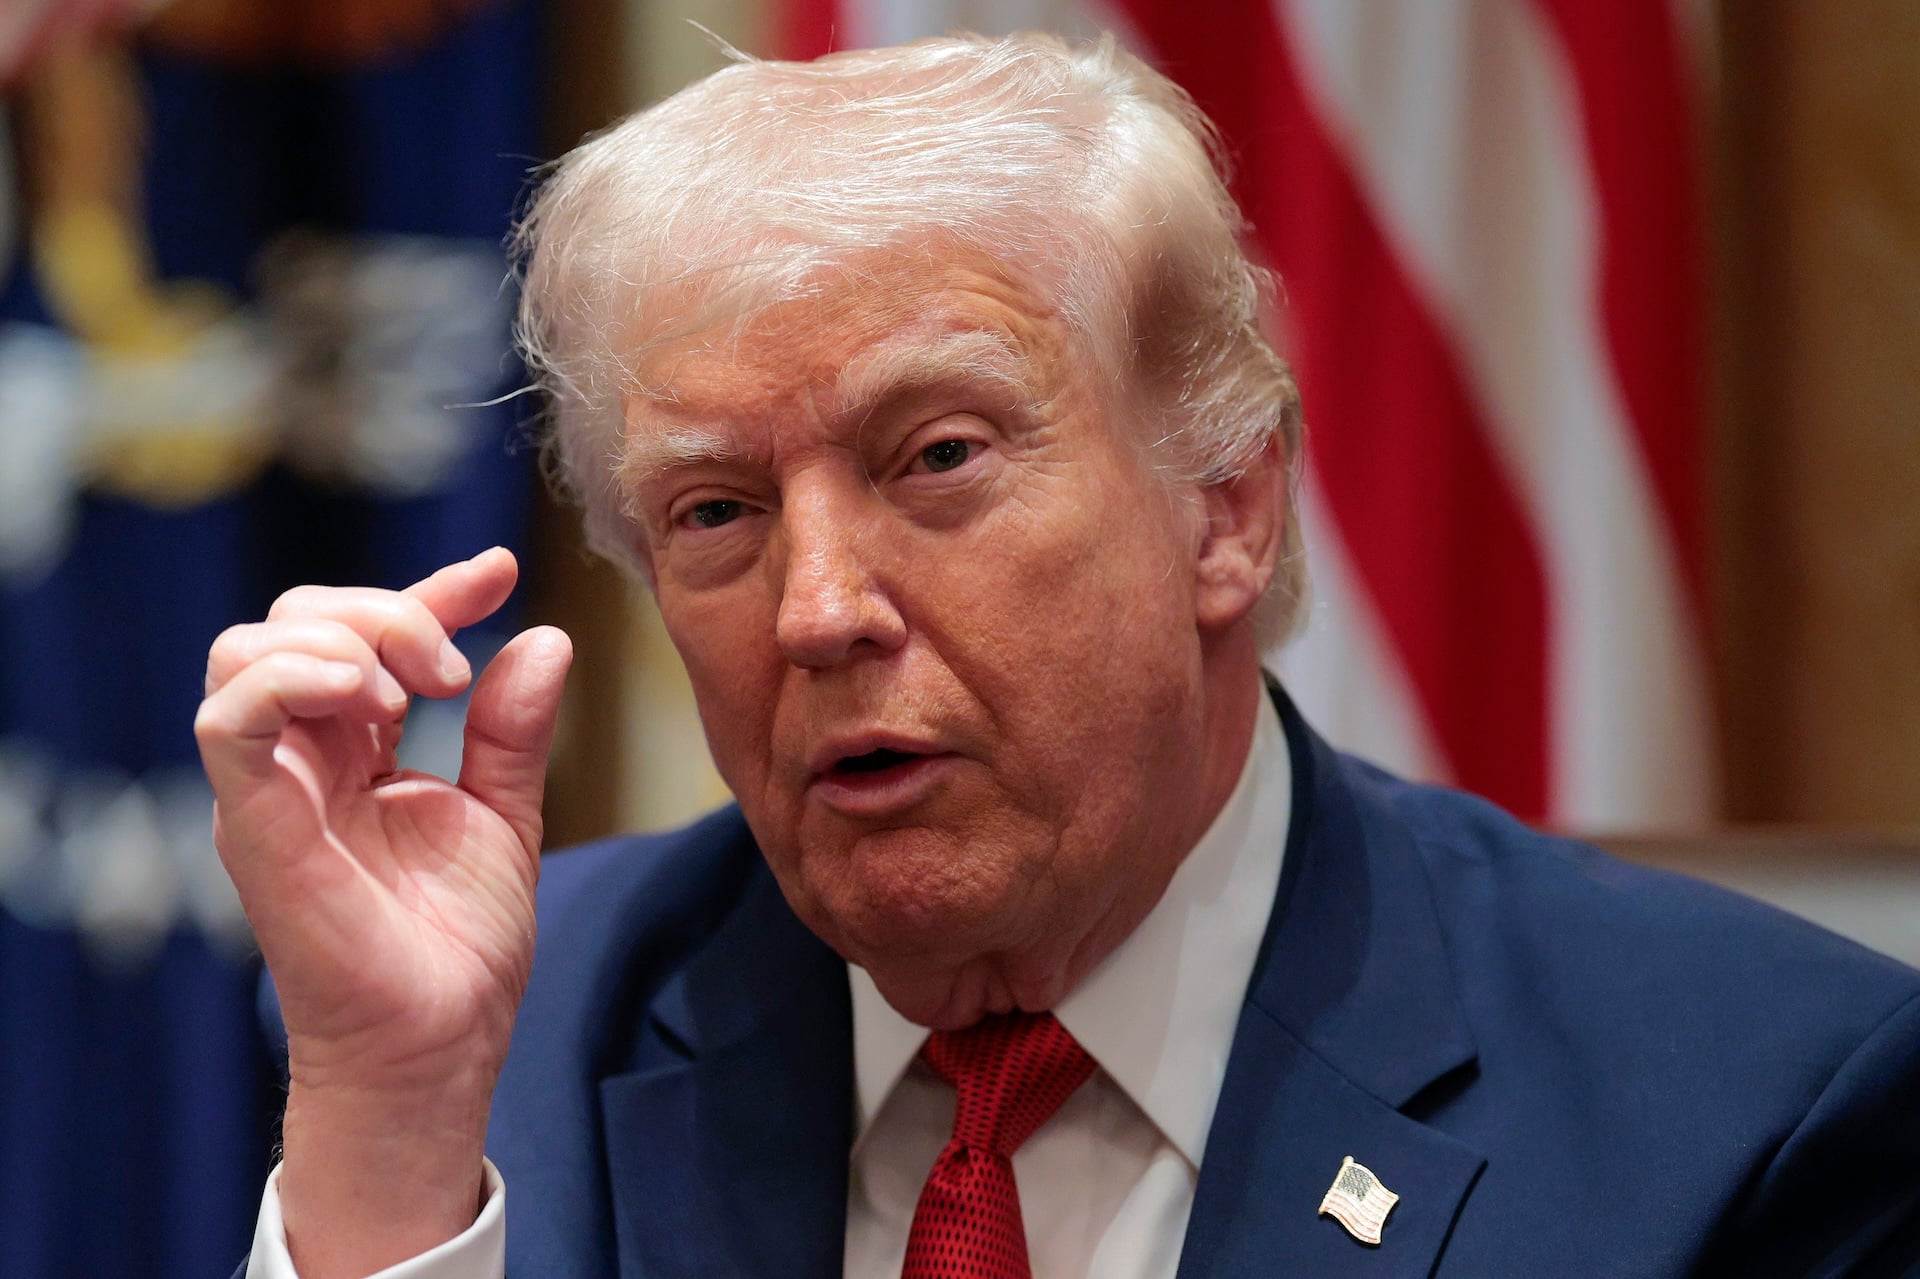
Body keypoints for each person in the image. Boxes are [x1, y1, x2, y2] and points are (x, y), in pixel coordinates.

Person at [198, 32, 1920, 1279]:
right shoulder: (481, 1049)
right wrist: (398, 1138)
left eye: (937, 458)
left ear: (1224, 509)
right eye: (715, 513)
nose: (817, 609)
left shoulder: (1749, 1113)